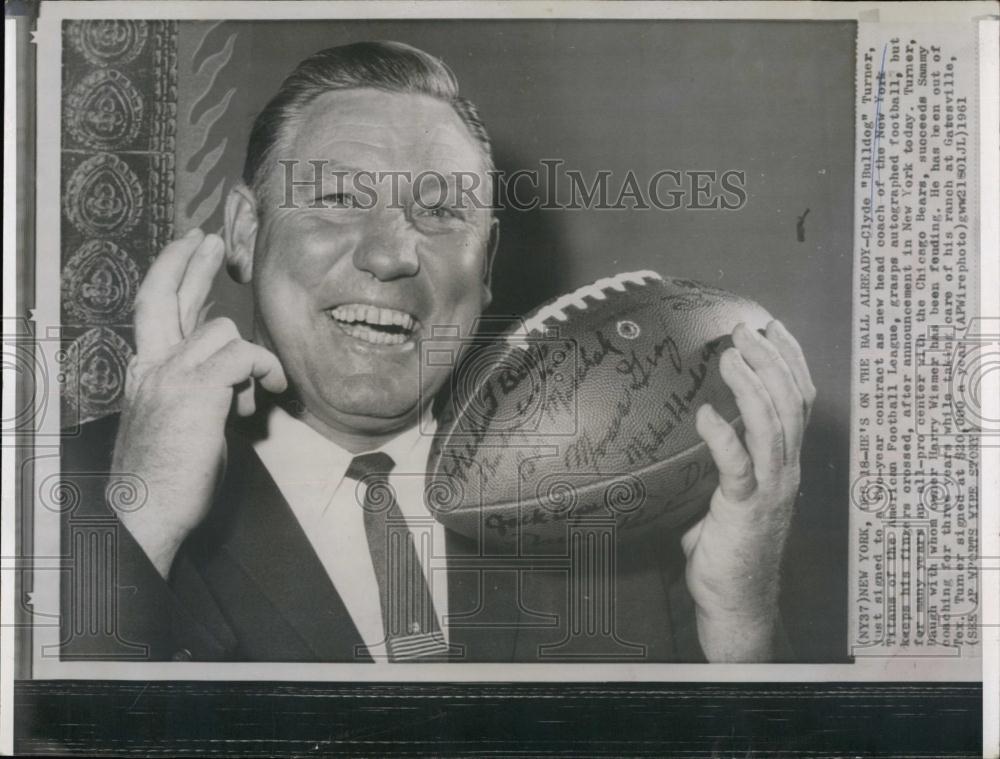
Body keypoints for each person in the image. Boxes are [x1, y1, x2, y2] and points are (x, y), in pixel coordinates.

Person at [60, 41, 815, 663]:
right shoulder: (77, 490)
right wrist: (143, 517)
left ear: (485, 266)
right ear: (248, 231)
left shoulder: (624, 506)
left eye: (441, 211)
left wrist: (739, 620)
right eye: (340, 198)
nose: (391, 255)